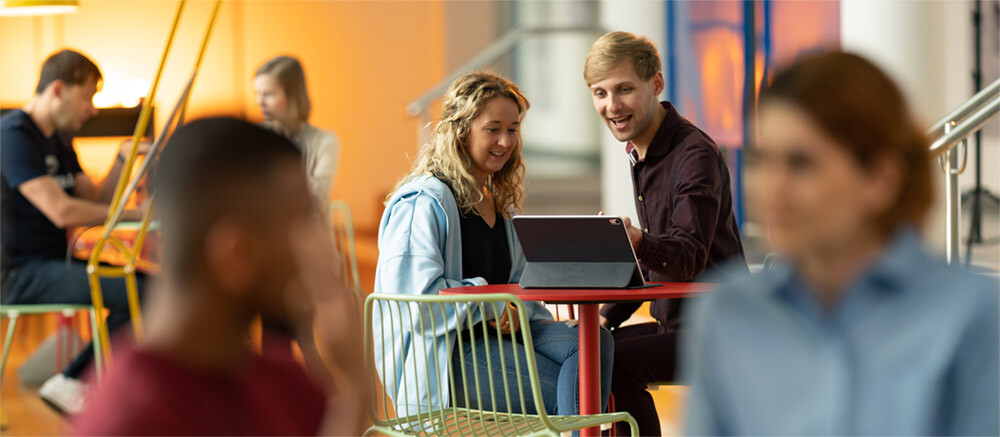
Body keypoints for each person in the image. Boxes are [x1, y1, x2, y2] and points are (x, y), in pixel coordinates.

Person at [682, 51, 1000, 436]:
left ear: (880, 178)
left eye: (801, 163)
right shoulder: (727, 315)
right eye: (760, 160)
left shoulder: (970, 312)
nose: (772, 188)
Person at [72, 118, 367, 435]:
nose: (320, 249)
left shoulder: (285, 381)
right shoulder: (132, 420)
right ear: (236, 256)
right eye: (304, 227)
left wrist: (355, 389)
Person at [374, 72, 614, 418]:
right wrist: (491, 305)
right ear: (461, 130)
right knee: (579, 392)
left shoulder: (501, 207)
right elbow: (417, 304)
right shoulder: (422, 203)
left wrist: (518, 311)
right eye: (493, 128)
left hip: (503, 342)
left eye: (513, 129)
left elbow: (517, 290)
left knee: (594, 342)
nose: (505, 141)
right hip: (447, 356)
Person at [583, 31, 747, 435]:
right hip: (672, 322)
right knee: (584, 356)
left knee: (613, 364)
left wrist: (635, 239)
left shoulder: (693, 155)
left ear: (655, 84)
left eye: (624, 89)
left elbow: (686, 256)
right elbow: (655, 262)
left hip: (717, 327)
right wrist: (606, 319)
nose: (611, 105)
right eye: (600, 93)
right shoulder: (642, 152)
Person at [0, 49, 148, 415]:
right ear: (58, 90)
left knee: (152, 287)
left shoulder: (60, 140)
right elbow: (63, 211)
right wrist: (135, 213)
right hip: (18, 273)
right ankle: (74, 381)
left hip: (52, 263)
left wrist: (122, 158)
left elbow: (98, 201)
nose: (93, 109)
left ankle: (89, 383)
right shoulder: (12, 135)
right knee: (138, 292)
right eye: (88, 96)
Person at [254, 55, 340, 208]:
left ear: (292, 95)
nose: (260, 102)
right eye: (257, 94)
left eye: (268, 94)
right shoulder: (253, 137)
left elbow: (315, 200)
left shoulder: (324, 141)